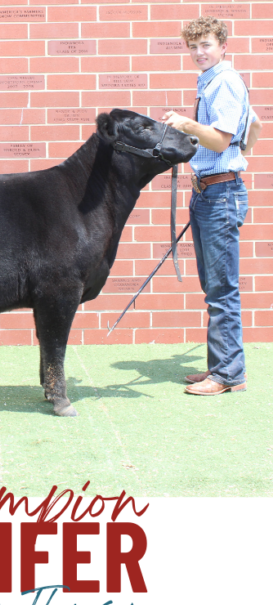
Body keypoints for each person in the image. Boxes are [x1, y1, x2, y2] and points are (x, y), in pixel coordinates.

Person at [163, 16, 261, 395]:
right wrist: (241, 150)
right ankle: (222, 367)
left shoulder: (224, 81)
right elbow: (254, 128)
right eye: (193, 46)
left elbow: (220, 140)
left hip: (220, 195)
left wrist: (187, 126)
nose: (198, 52)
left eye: (206, 45)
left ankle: (227, 375)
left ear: (222, 45)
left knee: (221, 289)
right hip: (211, 192)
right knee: (216, 287)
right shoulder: (214, 82)